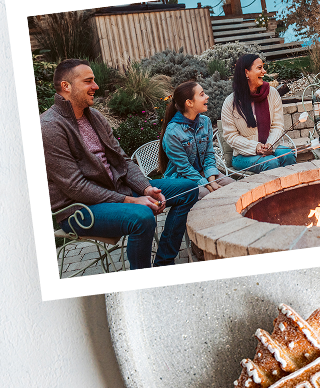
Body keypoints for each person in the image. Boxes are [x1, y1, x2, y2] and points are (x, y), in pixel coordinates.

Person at [41, 58, 199, 270]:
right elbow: (75, 186)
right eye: (88, 81)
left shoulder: (94, 117)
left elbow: (123, 160)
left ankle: (164, 263)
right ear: (66, 86)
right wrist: (130, 201)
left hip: (116, 191)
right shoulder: (50, 127)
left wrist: (146, 188)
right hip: (79, 209)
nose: (96, 86)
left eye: (94, 81)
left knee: (188, 188)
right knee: (142, 217)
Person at [220, 53, 297, 172]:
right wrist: (255, 147)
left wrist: (270, 144)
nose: (264, 71)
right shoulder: (230, 102)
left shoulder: (272, 94)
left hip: (271, 148)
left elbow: (278, 125)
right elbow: (231, 136)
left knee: (288, 155)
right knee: (270, 163)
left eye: (263, 67)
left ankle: (291, 189)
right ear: (246, 73)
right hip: (243, 156)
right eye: (259, 68)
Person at [158, 78, 234, 193]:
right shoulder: (172, 132)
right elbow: (184, 168)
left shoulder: (205, 122)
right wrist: (208, 186)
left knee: (233, 186)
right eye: (202, 94)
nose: (207, 96)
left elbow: (209, 154)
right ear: (189, 103)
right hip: (181, 178)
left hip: (203, 172)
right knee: (207, 194)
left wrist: (212, 181)